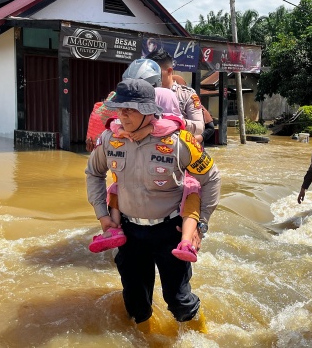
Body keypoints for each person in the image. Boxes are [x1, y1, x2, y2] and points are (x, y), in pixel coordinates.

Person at [86, 78, 220, 332]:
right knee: (136, 304)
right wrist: (102, 215)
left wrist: (201, 225)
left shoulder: (179, 141)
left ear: (148, 111)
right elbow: (94, 172)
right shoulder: (110, 139)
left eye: (130, 109)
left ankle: (202, 338)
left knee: (179, 302)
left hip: (170, 232)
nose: (122, 114)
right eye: (120, 108)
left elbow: (211, 178)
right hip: (129, 233)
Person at [85, 59, 163, 152]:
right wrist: (97, 148)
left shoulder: (166, 101)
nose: (123, 114)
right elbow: (112, 122)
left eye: (131, 109)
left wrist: (150, 128)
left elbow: (177, 123)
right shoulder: (110, 133)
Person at [146, 49, 205, 136]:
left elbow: (200, 127)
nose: (152, 76)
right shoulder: (143, 93)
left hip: (176, 144)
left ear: (169, 71)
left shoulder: (186, 95)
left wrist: (178, 122)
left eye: (156, 72)